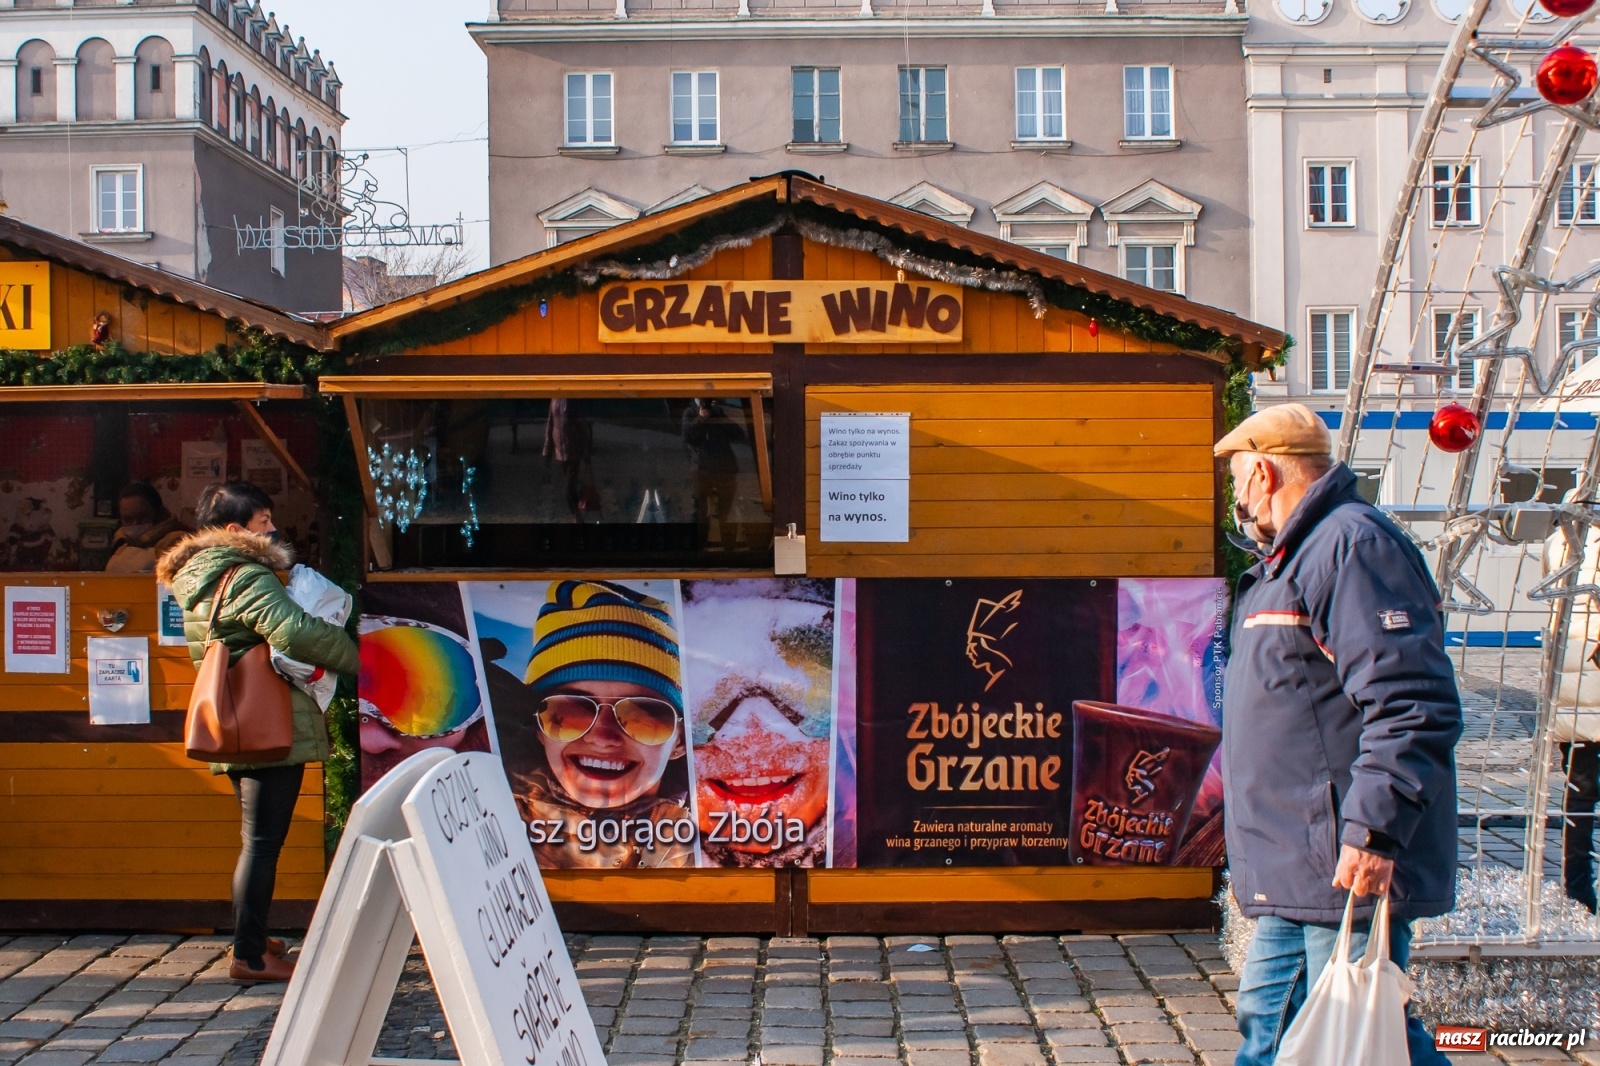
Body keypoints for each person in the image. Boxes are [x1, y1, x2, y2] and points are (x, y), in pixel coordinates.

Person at [1215, 403, 1461, 1066]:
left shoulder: (1352, 547)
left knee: (1357, 1038)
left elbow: (1411, 702)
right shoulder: (1293, 559)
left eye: (1238, 481)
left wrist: (1374, 832)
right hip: (1297, 864)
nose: (1237, 500)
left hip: (1338, 860)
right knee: (1279, 1035)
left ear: (1263, 474)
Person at [156, 481, 359, 985]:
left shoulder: (201, 576)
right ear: (233, 530)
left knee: (256, 839)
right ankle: (249, 957)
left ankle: (253, 937)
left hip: (240, 722)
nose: (272, 529)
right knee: (262, 844)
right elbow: (292, 631)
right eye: (263, 521)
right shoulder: (245, 573)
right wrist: (358, 659)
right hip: (267, 723)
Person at [497, 580, 693, 868]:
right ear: (540, 727)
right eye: (571, 711)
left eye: (644, 715)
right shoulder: (485, 821)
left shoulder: (723, 842)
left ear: (680, 740)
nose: (602, 737)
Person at [1544, 507, 1600, 914]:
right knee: (1582, 788)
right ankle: (1579, 887)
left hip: (1574, 679)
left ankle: (1577, 887)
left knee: (1580, 790)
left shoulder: (1561, 536)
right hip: (1588, 676)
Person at [681, 399, 744, 545]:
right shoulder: (690, 413)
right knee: (701, 511)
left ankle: (729, 550)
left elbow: (738, 435)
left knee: (726, 512)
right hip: (702, 469)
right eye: (703, 401)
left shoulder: (718, 413)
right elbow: (688, 437)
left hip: (724, 469)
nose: (706, 405)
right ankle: (700, 549)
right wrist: (700, 419)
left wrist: (720, 416)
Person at [106, 482, 189, 573]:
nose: (135, 523)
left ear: (159, 514)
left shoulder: (178, 540)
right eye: (127, 519)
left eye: (143, 516)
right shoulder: (120, 544)